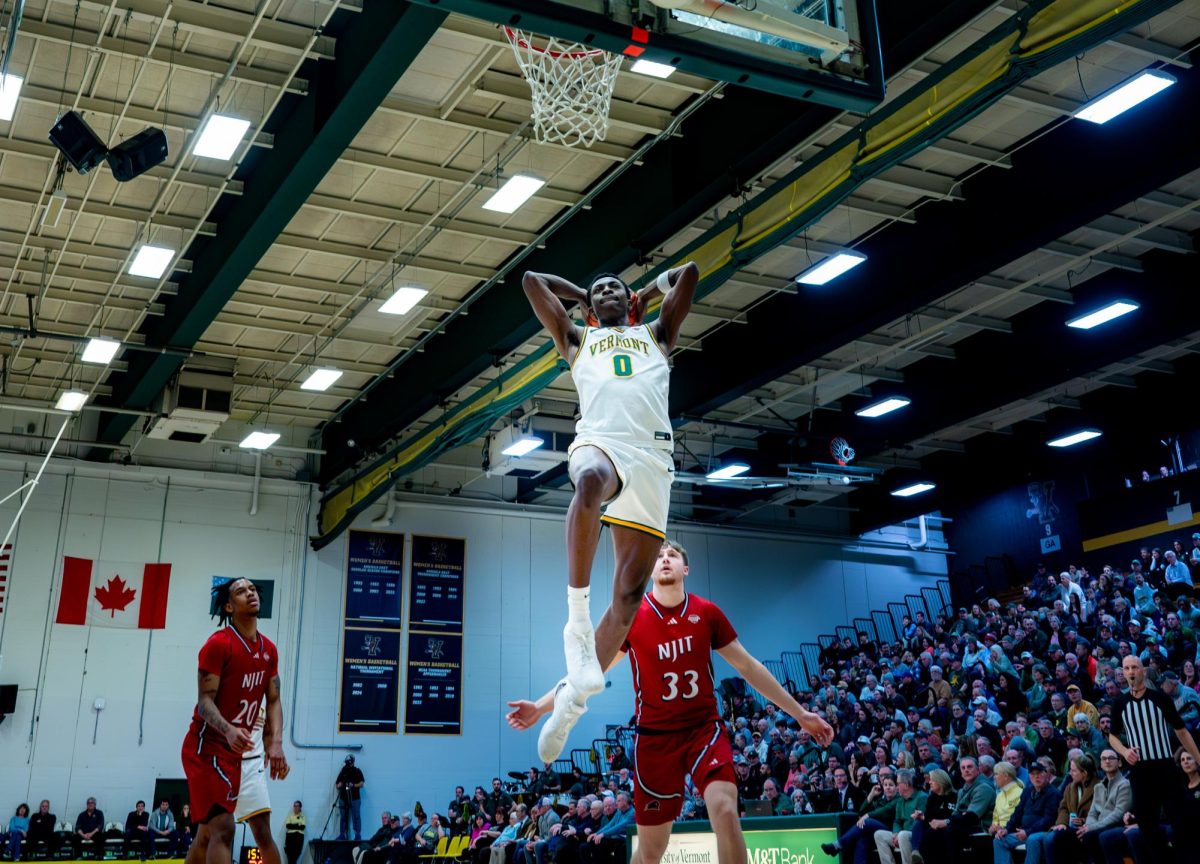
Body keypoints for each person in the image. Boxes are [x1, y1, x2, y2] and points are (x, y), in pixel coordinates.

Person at [506, 541, 833, 864]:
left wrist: (801, 713)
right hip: (654, 739)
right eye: (659, 556)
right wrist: (540, 706)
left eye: (673, 555)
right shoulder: (632, 618)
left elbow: (749, 666)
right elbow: (586, 673)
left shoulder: (706, 612)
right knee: (650, 852)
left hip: (703, 730)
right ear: (649, 571)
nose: (665, 559)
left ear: (685, 568)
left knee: (725, 808)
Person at [520, 262, 699, 762]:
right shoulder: (577, 339)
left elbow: (690, 272)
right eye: (598, 290)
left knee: (628, 595)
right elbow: (533, 280)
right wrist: (581, 293)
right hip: (600, 441)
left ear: (629, 300)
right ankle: (576, 620)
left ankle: (570, 703)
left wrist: (642, 290)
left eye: (612, 288)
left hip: (652, 459)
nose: (604, 292)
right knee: (591, 480)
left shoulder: (657, 334)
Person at [182, 578, 287, 864]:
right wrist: (228, 729)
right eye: (241, 591)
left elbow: (274, 700)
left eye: (252, 589)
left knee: (211, 834)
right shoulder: (218, 645)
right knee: (224, 828)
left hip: (243, 753)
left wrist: (276, 743)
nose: (250, 593)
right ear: (229, 606)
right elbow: (204, 702)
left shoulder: (269, 650)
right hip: (208, 748)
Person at [1106, 654, 1200, 864]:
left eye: (1135, 668)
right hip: (1140, 771)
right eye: (1127, 668)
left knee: (1180, 823)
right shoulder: (1119, 703)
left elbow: (1182, 731)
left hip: (1165, 767)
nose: (1131, 672)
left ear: (1143, 671)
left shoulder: (1159, 698)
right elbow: (1112, 736)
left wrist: (1199, 758)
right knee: (1147, 828)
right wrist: (1124, 751)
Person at [336, 756, 366, 841]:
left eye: (349, 763)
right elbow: (337, 784)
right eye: (346, 763)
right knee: (343, 817)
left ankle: (358, 835)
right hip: (343, 798)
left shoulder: (357, 771)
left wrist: (353, 785)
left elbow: (362, 783)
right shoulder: (343, 771)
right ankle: (342, 834)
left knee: (356, 816)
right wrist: (340, 785)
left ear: (353, 762)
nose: (348, 765)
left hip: (355, 798)